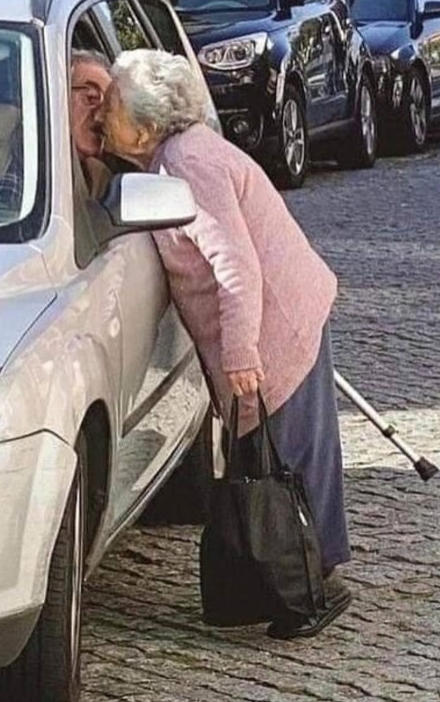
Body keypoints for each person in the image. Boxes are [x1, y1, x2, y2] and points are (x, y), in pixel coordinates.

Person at [101, 48, 352, 639]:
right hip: (274, 323)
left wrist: (241, 354)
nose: (99, 115)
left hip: (276, 328)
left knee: (286, 464)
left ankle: (314, 588)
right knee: (279, 460)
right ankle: (296, 581)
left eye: (109, 104)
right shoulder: (165, 160)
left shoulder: (188, 163)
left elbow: (235, 264)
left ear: (142, 124)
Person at [0, 49, 114, 201]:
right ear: (54, 91)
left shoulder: (101, 183)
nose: (101, 117)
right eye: (91, 98)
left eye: (109, 107)